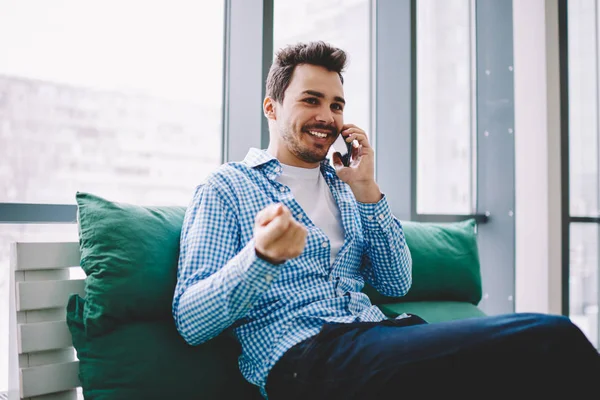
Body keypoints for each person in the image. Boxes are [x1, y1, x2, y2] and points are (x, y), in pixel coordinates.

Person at [172, 41, 599, 399]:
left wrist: (367, 190)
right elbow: (191, 322)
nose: (328, 117)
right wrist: (261, 258)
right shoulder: (227, 187)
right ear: (271, 106)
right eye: (311, 100)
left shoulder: (345, 187)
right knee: (552, 339)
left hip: (380, 338)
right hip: (304, 358)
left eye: (337, 105)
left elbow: (396, 283)